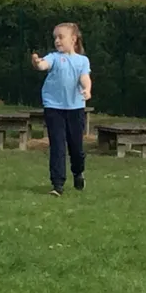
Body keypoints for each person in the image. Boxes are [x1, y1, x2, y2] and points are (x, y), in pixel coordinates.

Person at [31, 22, 92, 197]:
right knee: (57, 146)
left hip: (75, 109)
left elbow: (85, 78)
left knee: (76, 148)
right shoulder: (54, 57)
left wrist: (87, 90)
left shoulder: (82, 60)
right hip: (53, 107)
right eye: (55, 38)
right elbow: (43, 65)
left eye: (61, 37)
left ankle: (78, 172)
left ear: (73, 39)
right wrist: (36, 62)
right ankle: (57, 185)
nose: (57, 41)